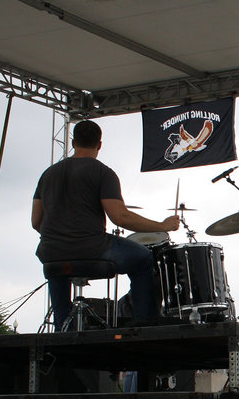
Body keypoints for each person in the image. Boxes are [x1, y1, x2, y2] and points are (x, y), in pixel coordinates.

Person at [32, 120, 180, 330]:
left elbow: (36, 221)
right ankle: (144, 323)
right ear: (99, 145)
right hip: (92, 249)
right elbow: (120, 217)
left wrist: (61, 237)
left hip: (51, 252)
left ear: (73, 142)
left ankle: (62, 329)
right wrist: (162, 225)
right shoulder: (102, 172)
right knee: (143, 258)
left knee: (57, 268)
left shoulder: (47, 175)